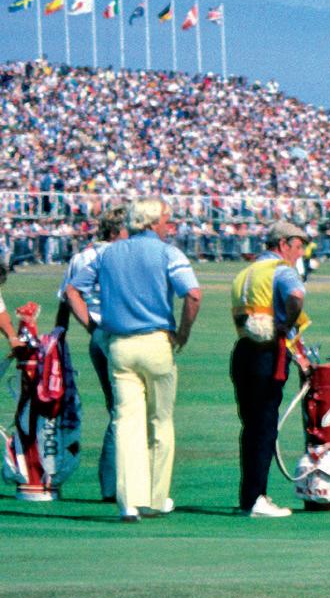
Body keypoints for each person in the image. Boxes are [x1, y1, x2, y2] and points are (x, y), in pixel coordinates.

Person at [65, 197, 201, 522]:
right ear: (153, 222)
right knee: (160, 422)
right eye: (166, 220)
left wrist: (94, 328)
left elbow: (72, 291)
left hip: (119, 345)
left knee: (126, 423)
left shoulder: (107, 253)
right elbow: (193, 295)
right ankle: (154, 498)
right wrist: (182, 334)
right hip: (156, 342)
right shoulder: (169, 253)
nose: (169, 225)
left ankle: (127, 502)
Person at [229, 219, 310, 518]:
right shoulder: (282, 270)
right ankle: (256, 498)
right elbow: (296, 296)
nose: (300, 254)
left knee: (251, 427)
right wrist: (286, 324)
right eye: (297, 247)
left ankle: (249, 496)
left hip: (243, 351)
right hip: (268, 353)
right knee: (264, 426)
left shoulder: (246, 273)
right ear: (283, 244)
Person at [55, 205, 128, 502]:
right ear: (117, 231)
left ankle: (117, 480)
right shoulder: (120, 256)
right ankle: (114, 484)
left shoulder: (81, 257)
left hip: (96, 335)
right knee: (124, 409)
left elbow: (65, 300)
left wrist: (64, 335)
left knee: (117, 406)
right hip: (115, 332)